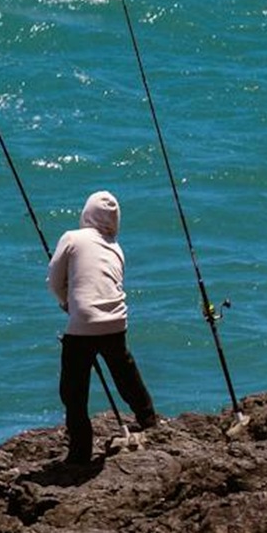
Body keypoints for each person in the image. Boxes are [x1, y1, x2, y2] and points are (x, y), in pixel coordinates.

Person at [47, 190, 157, 464]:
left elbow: (53, 280)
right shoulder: (116, 249)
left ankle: (80, 449)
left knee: (73, 389)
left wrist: (66, 303)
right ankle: (148, 418)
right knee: (124, 372)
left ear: (87, 213)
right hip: (117, 321)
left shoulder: (72, 238)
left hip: (82, 321)